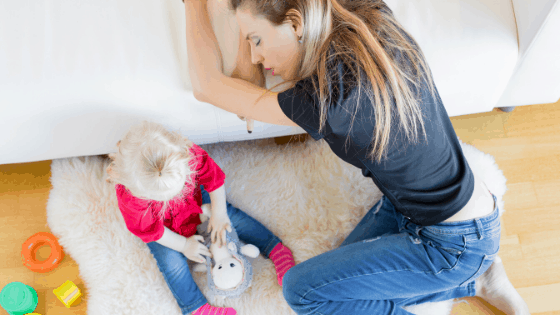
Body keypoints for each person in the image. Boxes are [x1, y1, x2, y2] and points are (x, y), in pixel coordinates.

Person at [183, 0, 531, 314]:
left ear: (295, 23)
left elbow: (208, 86)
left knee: (304, 293)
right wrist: (253, 25)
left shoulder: (325, 98)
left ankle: (469, 275)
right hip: (429, 209)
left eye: (256, 41)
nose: (257, 57)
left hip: (451, 243)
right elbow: (251, 80)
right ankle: (476, 281)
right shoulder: (365, 15)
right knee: (342, 286)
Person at [106, 121, 295, 315]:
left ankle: (274, 247)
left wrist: (219, 213)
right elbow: (150, 230)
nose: (172, 199)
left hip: (195, 201)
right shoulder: (130, 195)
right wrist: (183, 245)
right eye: (163, 199)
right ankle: (195, 307)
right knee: (170, 262)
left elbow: (214, 180)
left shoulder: (187, 153)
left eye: (178, 189)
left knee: (230, 218)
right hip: (163, 228)